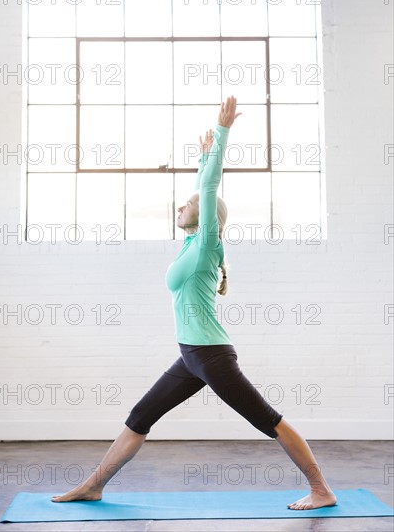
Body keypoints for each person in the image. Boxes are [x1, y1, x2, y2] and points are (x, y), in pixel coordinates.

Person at [52, 96, 337, 511]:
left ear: (206, 219)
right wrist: (203, 158)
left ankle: (321, 490)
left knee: (268, 421)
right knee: (139, 417)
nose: (180, 205)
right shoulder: (190, 245)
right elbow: (202, 186)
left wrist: (221, 135)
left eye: (187, 205)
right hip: (191, 356)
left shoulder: (206, 245)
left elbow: (207, 189)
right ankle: (94, 485)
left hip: (211, 356)